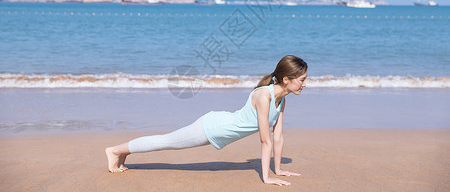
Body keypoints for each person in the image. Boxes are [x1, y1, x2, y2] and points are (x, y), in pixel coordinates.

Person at [105, 55, 308, 186]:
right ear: (286, 79)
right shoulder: (264, 95)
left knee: (166, 141)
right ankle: (115, 150)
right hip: (212, 127)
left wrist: (279, 169)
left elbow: (278, 137)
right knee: (166, 142)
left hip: (219, 130)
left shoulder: (281, 100)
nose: (304, 85)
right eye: (302, 80)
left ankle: (122, 153)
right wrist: (267, 177)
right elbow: (265, 140)